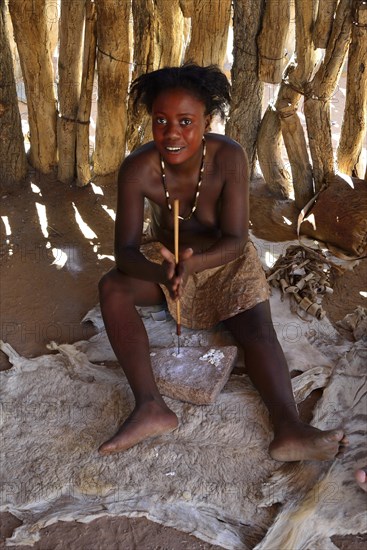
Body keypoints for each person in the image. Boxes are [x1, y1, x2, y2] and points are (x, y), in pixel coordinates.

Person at [98, 63, 347, 461]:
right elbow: (125, 252)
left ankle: (289, 427)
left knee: (257, 330)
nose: (172, 133)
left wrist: (193, 267)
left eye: (185, 121)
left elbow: (235, 241)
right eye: (161, 121)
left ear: (207, 120)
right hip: (167, 264)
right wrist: (162, 271)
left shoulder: (229, 157)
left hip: (225, 261)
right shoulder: (138, 169)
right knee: (111, 286)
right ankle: (150, 406)